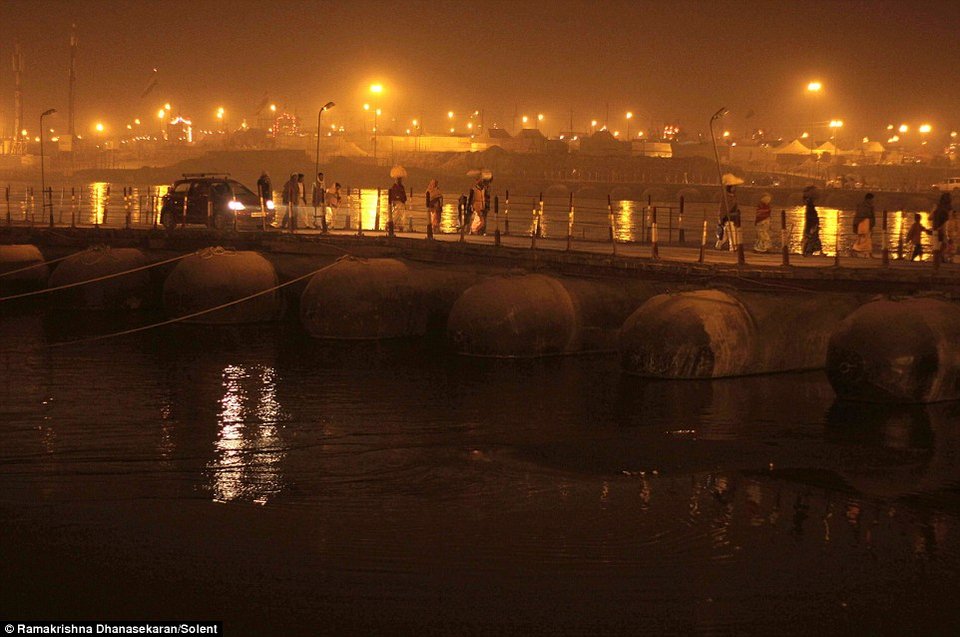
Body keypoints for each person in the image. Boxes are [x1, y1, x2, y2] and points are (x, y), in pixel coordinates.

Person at [851, 192, 876, 257]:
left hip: (866, 224)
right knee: (864, 239)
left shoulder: (864, 206)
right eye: (872, 199)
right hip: (864, 224)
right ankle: (857, 250)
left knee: (865, 239)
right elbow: (863, 216)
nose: (872, 201)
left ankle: (866, 252)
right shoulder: (865, 206)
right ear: (868, 199)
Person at [801, 185, 822, 257]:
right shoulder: (810, 204)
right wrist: (815, 222)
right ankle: (808, 251)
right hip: (812, 222)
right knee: (812, 237)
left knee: (812, 236)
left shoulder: (808, 202)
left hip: (811, 221)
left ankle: (814, 251)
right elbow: (811, 215)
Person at [931, 192, 952, 260]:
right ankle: (940, 257)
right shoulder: (946, 209)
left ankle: (940, 258)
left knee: (939, 247)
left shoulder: (938, 207)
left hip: (937, 229)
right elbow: (947, 219)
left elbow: (930, 218)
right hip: (940, 229)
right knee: (942, 245)